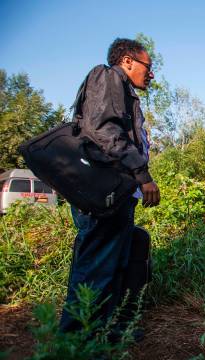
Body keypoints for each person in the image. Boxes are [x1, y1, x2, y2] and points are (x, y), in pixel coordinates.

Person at [59, 38, 161, 334]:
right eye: (148, 66)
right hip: (100, 194)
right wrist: (142, 175)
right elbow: (104, 130)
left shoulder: (122, 90)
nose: (151, 74)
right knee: (96, 268)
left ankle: (110, 329)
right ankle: (78, 345)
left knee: (125, 255)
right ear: (128, 60)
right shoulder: (107, 77)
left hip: (115, 194)